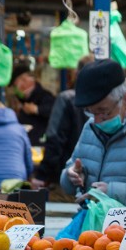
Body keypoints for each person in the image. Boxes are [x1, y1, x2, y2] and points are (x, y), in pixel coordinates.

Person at [60, 59, 126, 208]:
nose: (97, 121)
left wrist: (111, 192)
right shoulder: (89, 127)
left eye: (104, 112)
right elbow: (69, 177)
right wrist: (71, 176)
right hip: (92, 226)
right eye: (91, 112)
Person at [32, 54, 94, 188]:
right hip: (94, 181)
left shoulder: (66, 99)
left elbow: (55, 140)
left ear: (77, 74)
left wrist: (41, 175)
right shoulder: (106, 103)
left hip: (67, 178)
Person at [7, 58, 55, 146]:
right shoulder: (23, 101)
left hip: (40, 145)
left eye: (15, 85)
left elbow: (54, 112)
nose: (15, 89)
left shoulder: (44, 96)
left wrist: (37, 110)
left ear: (24, 81)